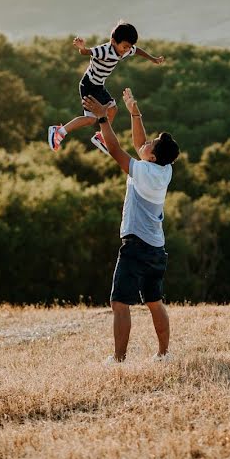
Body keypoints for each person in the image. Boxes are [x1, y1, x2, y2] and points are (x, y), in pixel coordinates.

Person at [81, 88, 180, 364]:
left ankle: (119, 359)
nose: (147, 142)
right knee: (154, 300)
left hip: (136, 246)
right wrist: (133, 111)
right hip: (156, 248)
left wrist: (103, 118)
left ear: (151, 157)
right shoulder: (164, 169)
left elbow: (115, 149)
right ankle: (163, 354)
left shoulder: (145, 171)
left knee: (119, 302)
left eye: (152, 143)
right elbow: (140, 146)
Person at [48, 21, 164, 154]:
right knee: (91, 119)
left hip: (98, 85)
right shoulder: (104, 50)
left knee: (113, 109)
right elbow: (87, 52)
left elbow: (136, 50)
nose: (126, 51)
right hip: (89, 84)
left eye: (128, 47)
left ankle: (101, 137)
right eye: (125, 47)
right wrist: (82, 47)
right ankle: (59, 132)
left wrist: (152, 59)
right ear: (113, 41)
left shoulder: (126, 50)